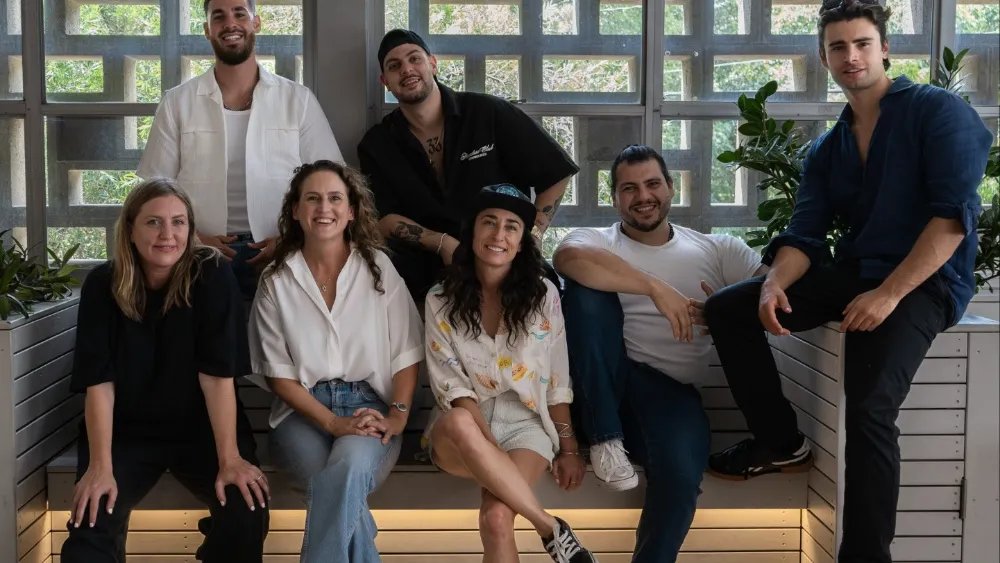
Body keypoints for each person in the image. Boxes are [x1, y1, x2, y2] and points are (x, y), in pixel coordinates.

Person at [702, 2, 994, 562]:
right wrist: (772, 284)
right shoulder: (828, 147)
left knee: (868, 408)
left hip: (927, 281)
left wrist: (889, 294)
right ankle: (781, 442)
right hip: (859, 273)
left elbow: (952, 219)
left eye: (862, 44)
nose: (851, 56)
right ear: (824, 57)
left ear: (885, 48)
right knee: (728, 309)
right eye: (838, 47)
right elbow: (804, 234)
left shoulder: (936, 111)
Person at [552, 145, 766, 562]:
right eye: (629, 188)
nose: (643, 196)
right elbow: (566, 257)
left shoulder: (715, 249)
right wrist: (654, 287)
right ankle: (604, 437)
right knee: (587, 295)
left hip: (669, 397)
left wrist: (726, 312)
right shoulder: (596, 241)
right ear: (615, 198)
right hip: (600, 386)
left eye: (652, 184)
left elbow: (775, 288)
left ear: (670, 187)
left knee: (682, 477)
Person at [62, 178, 268, 563]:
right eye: (153, 222)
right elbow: (99, 383)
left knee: (246, 509)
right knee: (91, 521)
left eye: (178, 222)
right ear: (130, 229)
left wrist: (230, 459)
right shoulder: (102, 284)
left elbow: (217, 378)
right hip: (125, 434)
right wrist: (100, 467)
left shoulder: (212, 275)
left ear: (191, 230)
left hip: (202, 430)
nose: (167, 234)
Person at [248, 160, 423, 563]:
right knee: (337, 489)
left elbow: (407, 352)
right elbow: (279, 377)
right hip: (301, 415)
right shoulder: (276, 279)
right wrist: (331, 422)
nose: (323, 208)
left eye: (334, 198)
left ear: (351, 211)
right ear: (296, 210)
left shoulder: (378, 269)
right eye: (312, 198)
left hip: (370, 408)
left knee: (343, 475)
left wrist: (397, 416)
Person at [424, 185, 596, 563]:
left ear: (521, 243)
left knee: (497, 518)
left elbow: (557, 381)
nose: (499, 234)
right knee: (457, 420)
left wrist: (569, 449)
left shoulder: (543, 295)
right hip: (461, 432)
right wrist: (488, 449)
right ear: (472, 232)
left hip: (526, 426)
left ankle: (551, 531)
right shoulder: (440, 297)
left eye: (511, 226)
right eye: (489, 222)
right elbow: (451, 387)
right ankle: (549, 528)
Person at [138, 0, 342, 299]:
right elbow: (153, 190)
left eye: (239, 14)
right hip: (198, 255)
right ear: (207, 30)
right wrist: (193, 238)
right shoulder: (177, 102)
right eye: (218, 16)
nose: (230, 24)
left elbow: (332, 181)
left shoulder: (297, 100)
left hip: (284, 251)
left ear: (256, 23)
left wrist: (292, 238)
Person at [358, 29, 578, 300]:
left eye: (415, 59)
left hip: (504, 258)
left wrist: (532, 236)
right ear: (385, 81)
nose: (406, 69)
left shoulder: (487, 112)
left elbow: (556, 173)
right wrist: (442, 243)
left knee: (542, 298)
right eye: (394, 66)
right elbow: (382, 218)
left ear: (433, 64)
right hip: (426, 269)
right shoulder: (377, 144)